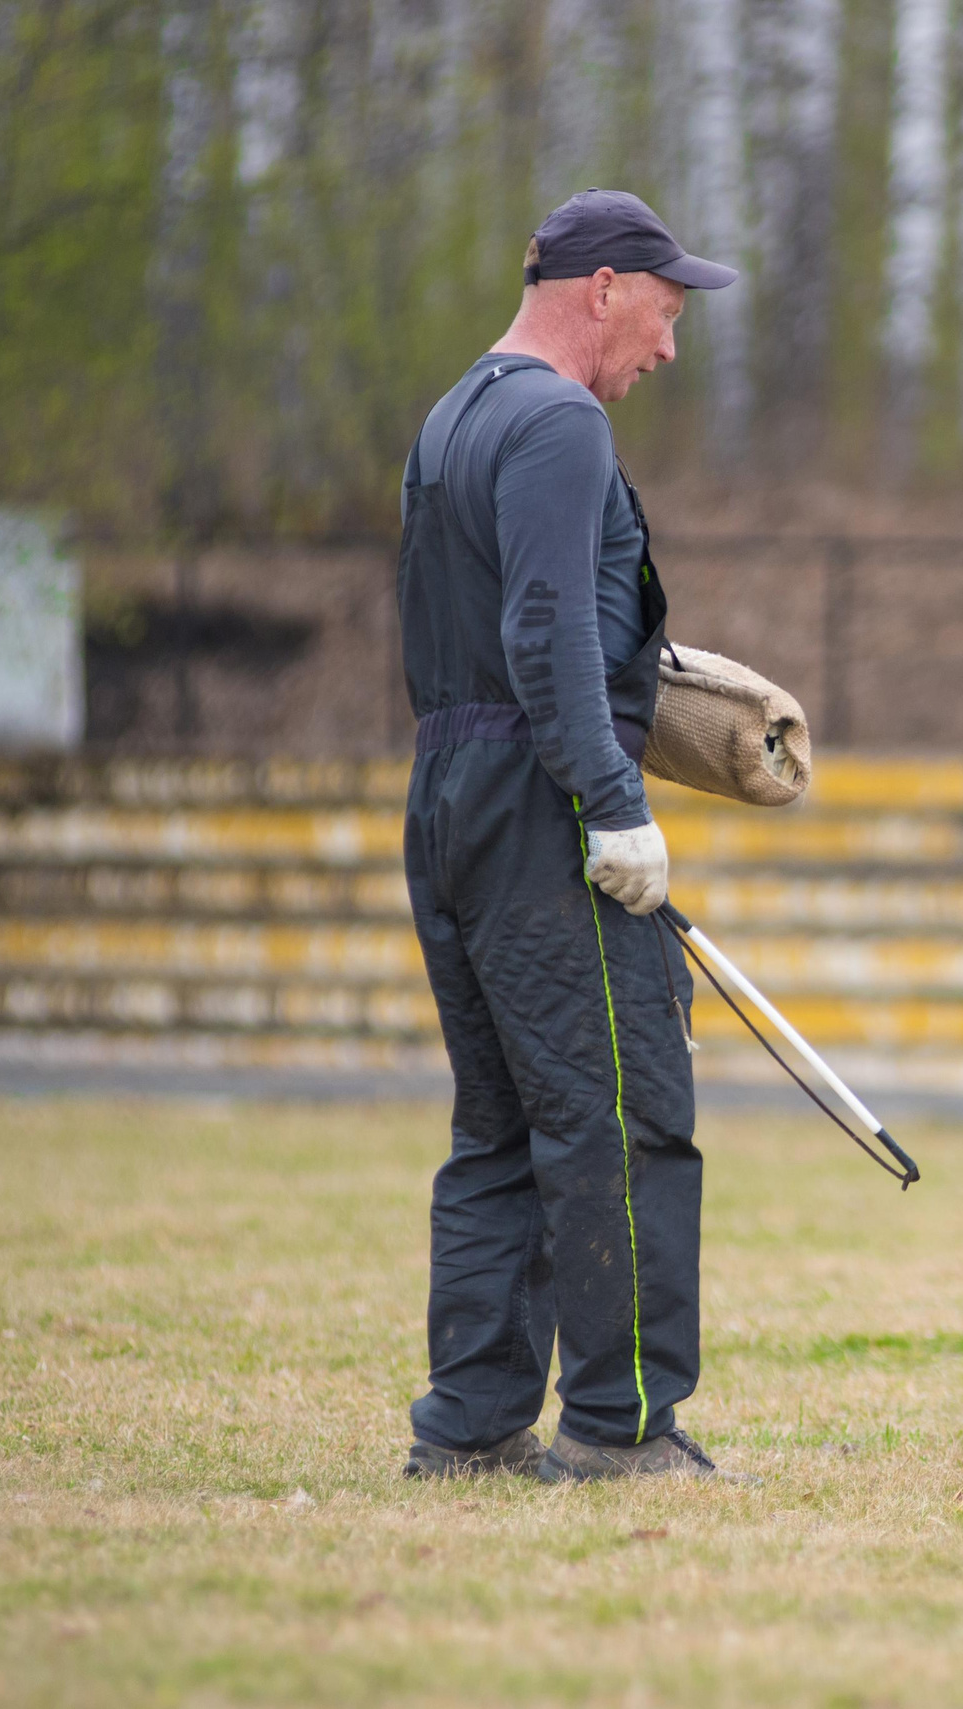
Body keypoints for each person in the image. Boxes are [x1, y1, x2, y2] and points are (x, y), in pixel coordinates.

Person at [397, 190, 740, 1483]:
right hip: (542, 801)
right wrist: (615, 802)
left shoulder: (455, 414)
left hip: (450, 787)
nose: (668, 346)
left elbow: (497, 631)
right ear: (604, 288)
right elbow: (544, 637)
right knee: (620, 1114)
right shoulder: (558, 422)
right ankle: (620, 1424)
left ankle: (472, 1426)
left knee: (501, 1125)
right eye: (665, 311)